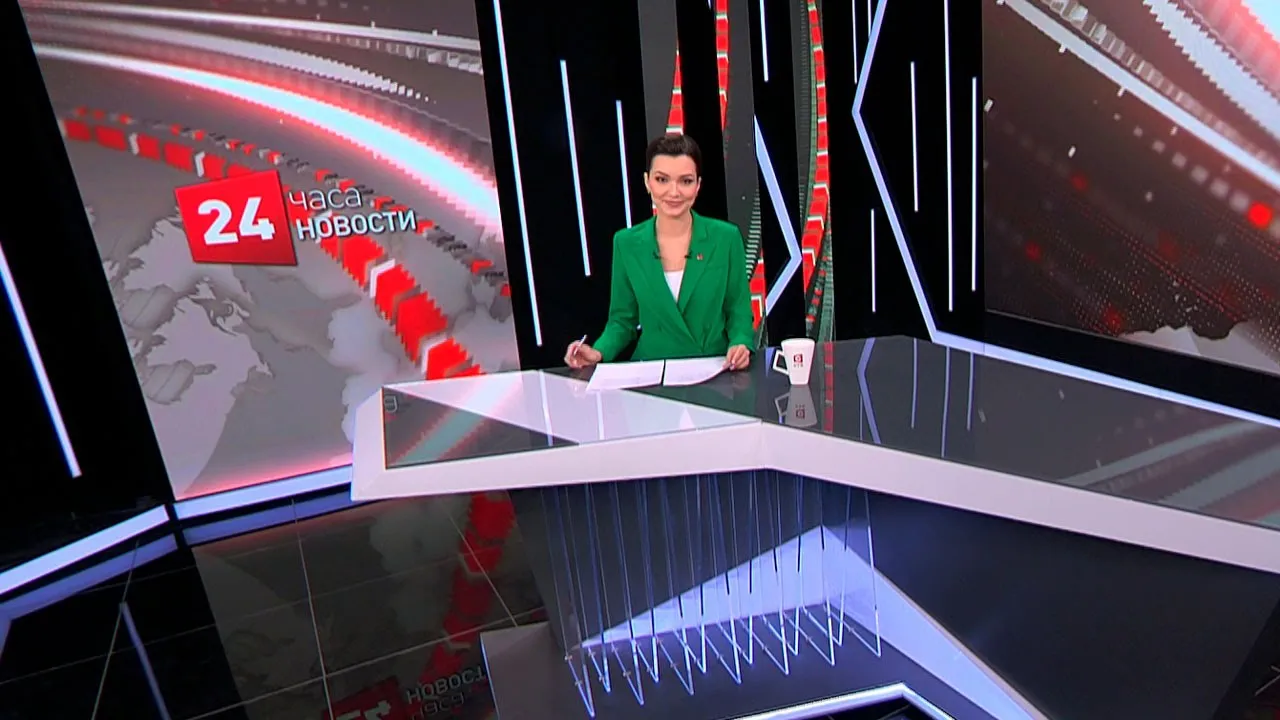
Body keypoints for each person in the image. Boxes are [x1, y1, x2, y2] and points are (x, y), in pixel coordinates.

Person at [565, 134, 755, 370]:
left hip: (713, 369)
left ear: (698, 185)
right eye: (662, 179)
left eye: (685, 181)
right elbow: (622, 321)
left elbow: (738, 311)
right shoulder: (626, 243)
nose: (673, 192)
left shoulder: (726, 238)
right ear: (647, 182)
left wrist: (740, 343)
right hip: (653, 372)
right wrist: (598, 352)